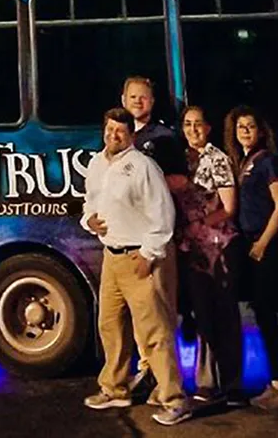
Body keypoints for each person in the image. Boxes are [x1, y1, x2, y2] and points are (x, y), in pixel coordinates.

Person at [80, 108, 191, 426]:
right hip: (111, 257)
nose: (114, 135)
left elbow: (162, 213)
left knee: (154, 331)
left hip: (138, 257)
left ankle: (173, 397)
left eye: (120, 131)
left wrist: (149, 253)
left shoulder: (143, 166)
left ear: (130, 135)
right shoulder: (97, 164)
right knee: (110, 326)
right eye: (110, 129)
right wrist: (90, 221)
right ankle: (114, 388)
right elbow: (89, 202)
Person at [224, 105, 278, 411]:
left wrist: (263, 243)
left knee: (267, 314)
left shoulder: (268, 161)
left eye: (250, 126)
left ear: (261, 131)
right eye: (240, 126)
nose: (245, 131)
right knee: (261, 313)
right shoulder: (243, 163)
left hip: (267, 245)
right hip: (251, 243)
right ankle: (277, 382)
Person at [119, 75, 182, 401]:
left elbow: (181, 182)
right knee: (139, 313)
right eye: (133, 97)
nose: (138, 102)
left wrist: (147, 189)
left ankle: (168, 382)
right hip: (127, 239)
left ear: (152, 102)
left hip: (155, 236)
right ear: (123, 98)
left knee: (162, 311)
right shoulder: (118, 137)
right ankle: (146, 371)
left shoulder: (165, 137)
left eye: (143, 97)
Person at [176, 106, 244, 405]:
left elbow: (228, 208)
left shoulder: (217, 159)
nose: (193, 130)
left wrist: (198, 225)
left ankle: (232, 385)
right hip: (191, 250)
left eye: (198, 124)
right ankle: (205, 382)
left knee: (224, 315)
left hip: (217, 248)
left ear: (208, 128)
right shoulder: (181, 160)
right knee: (202, 315)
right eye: (187, 124)